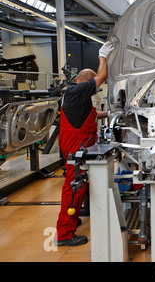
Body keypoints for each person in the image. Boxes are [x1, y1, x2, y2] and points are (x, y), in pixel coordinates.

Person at [54, 41, 114, 246]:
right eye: (94, 87)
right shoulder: (77, 91)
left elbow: (92, 115)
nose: (96, 91)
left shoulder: (75, 96)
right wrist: (103, 55)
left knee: (78, 186)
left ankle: (71, 219)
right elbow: (101, 76)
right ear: (85, 82)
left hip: (79, 147)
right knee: (73, 188)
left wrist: (112, 114)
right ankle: (64, 234)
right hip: (76, 149)